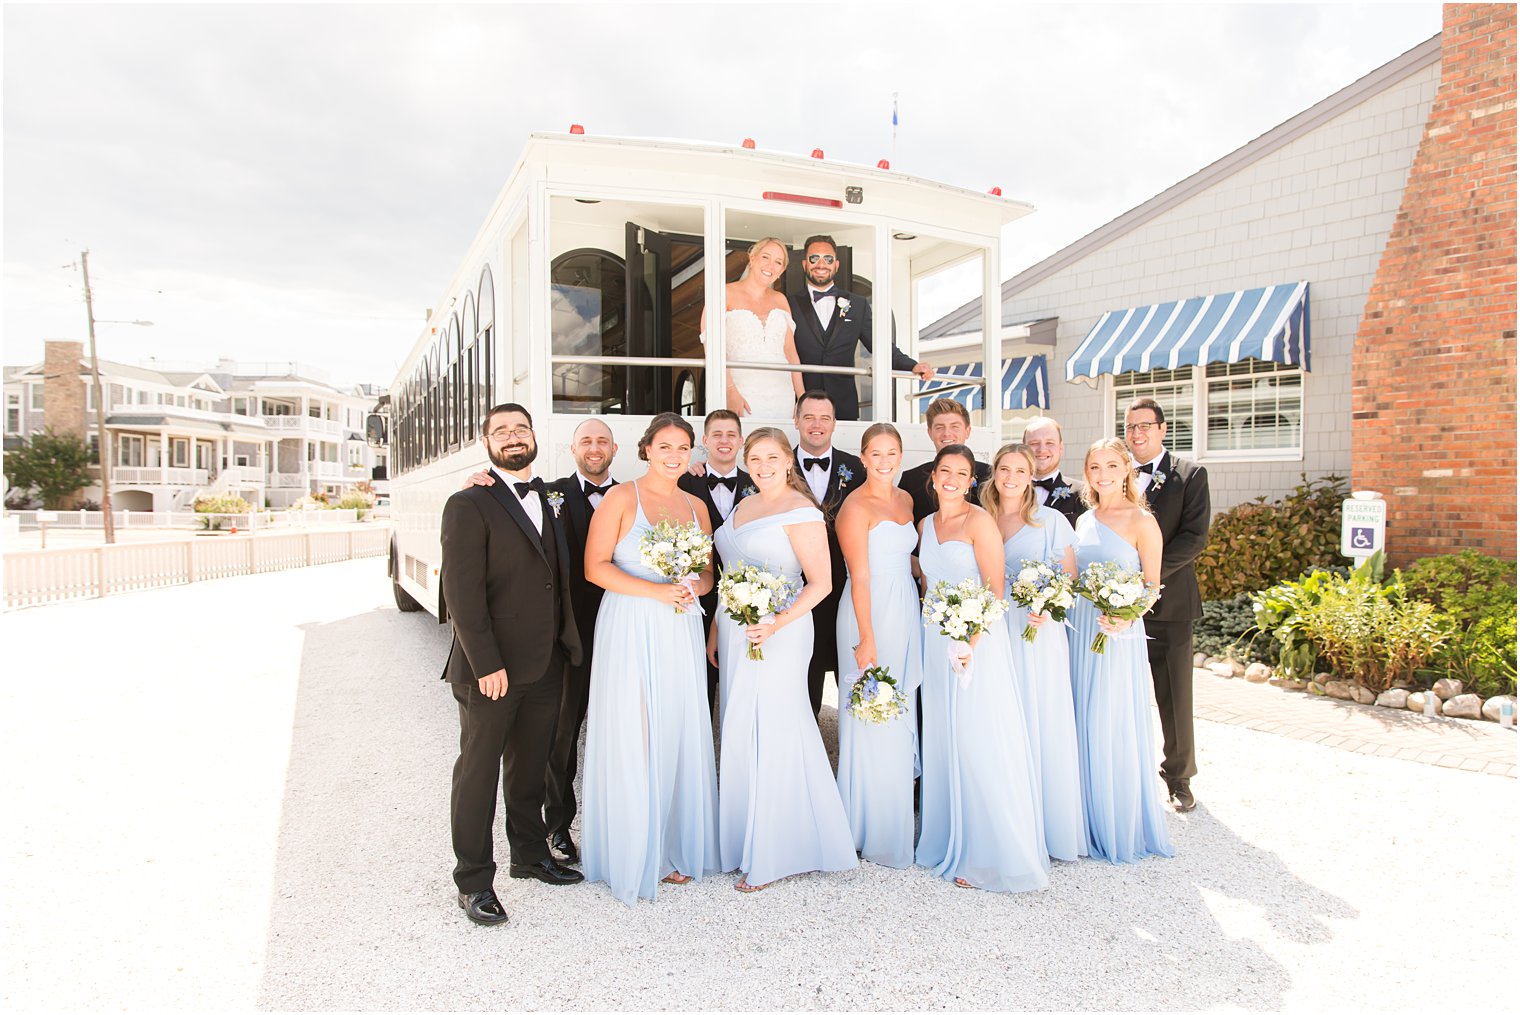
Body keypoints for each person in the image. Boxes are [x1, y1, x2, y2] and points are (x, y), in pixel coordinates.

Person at [439, 403, 584, 927]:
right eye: (501, 431)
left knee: (529, 765)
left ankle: (528, 855)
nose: (513, 437)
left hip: (547, 662)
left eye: (520, 428)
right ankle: (473, 880)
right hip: (492, 669)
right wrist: (486, 662)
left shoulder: (552, 497)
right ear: (487, 444)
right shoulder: (468, 503)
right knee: (477, 772)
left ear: (533, 436)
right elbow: (461, 592)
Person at [579, 413, 720, 904]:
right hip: (631, 624)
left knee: (676, 726)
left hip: (680, 625)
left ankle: (675, 845)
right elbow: (594, 568)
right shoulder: (622, 498)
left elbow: (707, 575)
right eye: (665, 446)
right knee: (636, 728)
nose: (674, 455)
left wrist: (691, 587)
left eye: (683, 448)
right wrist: (655, 592)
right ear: (647, 449)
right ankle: (636, 850)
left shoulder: (697, 507)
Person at [713, 427, 857, 892]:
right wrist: (718, 626)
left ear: (788, 461)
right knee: (740, 724)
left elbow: (821, 583)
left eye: (772, 457)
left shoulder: (801, 511)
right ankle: (740, 840)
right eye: (754, 458)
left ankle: (775, 851)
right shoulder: (742, 505)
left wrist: (775, 622)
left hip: (782, 630)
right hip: (738, 630)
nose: (763, 465)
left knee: (775, 724)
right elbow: (729, 571)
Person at [915, 444, 1048, 893]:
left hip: (974, 642)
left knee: (978, 738)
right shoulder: (924, 524)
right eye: (944, 471)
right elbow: (930, 585)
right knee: (945, 737)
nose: (952, 479)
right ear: (932, 476)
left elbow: (995, 591)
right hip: (936, 639)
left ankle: (990, 851)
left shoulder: (980, 521)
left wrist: (968, 640)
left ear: (972, 480)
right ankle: (947, 837)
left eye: (962, 473)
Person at [1068, 437, 1175, 863]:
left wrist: (1128, 615)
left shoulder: (1142, 521)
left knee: (1110, 719)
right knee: (1082, 714)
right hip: (1082, 632)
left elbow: (1152, 585)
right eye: (1095, 466)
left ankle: (1117, 820)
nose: (1103, 474)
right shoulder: (1085, 519)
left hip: (1117, 633)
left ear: (1126, 469)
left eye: (1112, 465)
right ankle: (1085, 816)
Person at [984, 443, 1086, 862]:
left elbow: (1070, 577)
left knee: (1039, 716)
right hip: (992, 629)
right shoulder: (981, 517)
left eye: (1020, 470)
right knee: (1001, 721)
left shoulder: (1052, 521)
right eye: (1004, 468)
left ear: (1032, 475)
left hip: (1035, 631)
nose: (1011, 476)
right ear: (994, 473)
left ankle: (1046, 825)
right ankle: (1006, 821)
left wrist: (1048, 607)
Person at [834, 423, 921, 868]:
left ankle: (895, 820)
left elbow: (908, 556)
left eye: (892, 453)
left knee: (899, 707)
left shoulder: (905, 500)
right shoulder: (854, 506)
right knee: (871, 712)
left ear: (900, 456)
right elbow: (860, 574)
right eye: (875, 453)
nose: (884, 461)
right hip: (868, 610)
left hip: (904, 607)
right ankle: (865, 825)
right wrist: (866, 636)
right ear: (863, 458)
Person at [1124, 397, 1210, 813]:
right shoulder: (1116, 474)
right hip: (1116, 606)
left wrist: (1146, 579)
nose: (1136, 434)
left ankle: (1179, 777)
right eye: (1130, 427)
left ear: (1162, 429)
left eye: (1144, 426)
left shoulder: (1190, 475)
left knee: (1175, 697)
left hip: (1170, 604)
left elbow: (1194, 538)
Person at [539, 418, 618, 866]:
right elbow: (505, 498)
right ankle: (558, 827)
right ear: (572, 449)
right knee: (563, 733)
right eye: (586, 440)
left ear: (615, 447)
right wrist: (484, 479)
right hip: (573, 635)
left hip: (625, 629)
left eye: (601, 441)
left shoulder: (634, 495)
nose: (594, 447)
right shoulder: (547, 494)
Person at [787, 234, 934, 421]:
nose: (821, 264)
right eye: (814, 258)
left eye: (828, 259)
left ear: (836, 265)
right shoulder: (789, 304)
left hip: (843, 404)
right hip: (799, 403)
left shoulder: (858, 304)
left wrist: (913, 365)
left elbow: (881, 347)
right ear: (805, 264)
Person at [793, 390, 864, 717]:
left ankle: (855, 755)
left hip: (846, 590)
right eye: (809, 417)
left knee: (850, 672)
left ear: (835, 423)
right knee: (802, 679)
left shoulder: (856, 468)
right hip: (797, 592)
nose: (816, 425)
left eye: (824, 418)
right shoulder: (777, 466)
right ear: (796, 421)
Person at [677, 409, 751, 710]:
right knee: (698, 682)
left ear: (741, 441)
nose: (724, 441)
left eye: (731, 434)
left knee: (743, 680)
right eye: (717, 434)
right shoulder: (683, 482)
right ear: (705, 441)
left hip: (746, 599)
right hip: (697, 597)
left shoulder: (757, 483)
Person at [702, 237, 801, 418]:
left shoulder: (781, 300)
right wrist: (730, 391)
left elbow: (790, 352)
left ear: (782, 270)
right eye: (765, 257)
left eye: (778, 262)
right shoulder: (723, 293)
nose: (771, 265)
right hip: (740, 391)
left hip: (782, 393)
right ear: (752, 258)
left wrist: (801, 397)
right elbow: (712, 346)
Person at [900, 398, 991, 525]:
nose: (947, 433)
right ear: (930, 432)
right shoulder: (911, 480)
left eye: (955, 427)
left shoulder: (990, 476)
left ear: (967, 431)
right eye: (939, 427)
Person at [1021, 416, 1086, 528]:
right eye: (1034, 443)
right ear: (1023, 448)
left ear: (1061, 447)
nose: (1042, 450)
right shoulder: (1009, 489)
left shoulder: (1082, 493)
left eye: (1050, 443)